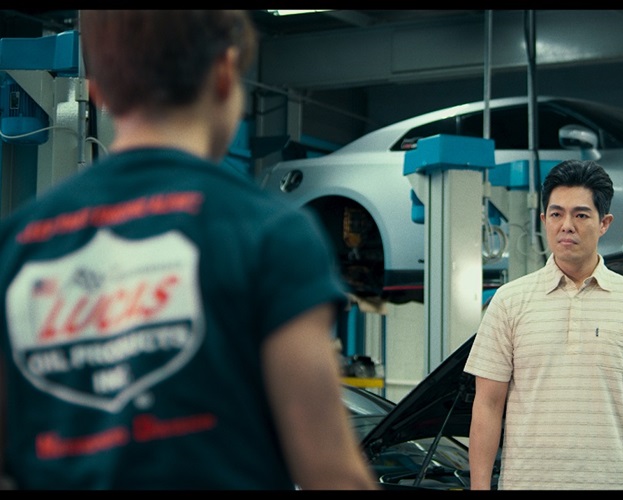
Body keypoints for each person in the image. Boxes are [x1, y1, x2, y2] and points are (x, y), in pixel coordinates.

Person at [0, 10, 378, 490]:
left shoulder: (17, 247)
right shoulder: (270, 234)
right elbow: (330, 472)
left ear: (98, 89)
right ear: (224, 72)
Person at [464, 159, 623, 490]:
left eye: (581, 215)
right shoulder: (509, 302)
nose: (566, 225)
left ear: (604, 222)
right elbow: (487, 406)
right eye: (556, 214)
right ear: (543, 220)